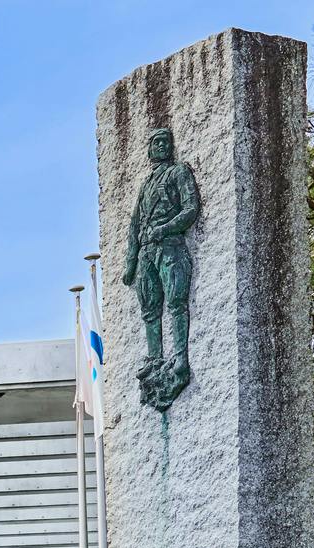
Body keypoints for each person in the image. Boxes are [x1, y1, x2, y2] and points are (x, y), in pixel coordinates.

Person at [122, 127, 200, 409]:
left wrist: (165, 228)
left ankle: (179, 356)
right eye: (155, 142)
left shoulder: (178, 172)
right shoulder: (146, 184)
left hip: (171, 247)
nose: (161, 146)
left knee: (177, 302)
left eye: (165, 141)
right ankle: (155, 357)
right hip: (147, 253)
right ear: (148, 148)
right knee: (150, 307)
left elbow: (190, 209)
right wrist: (130, 262)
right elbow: (134, 225)